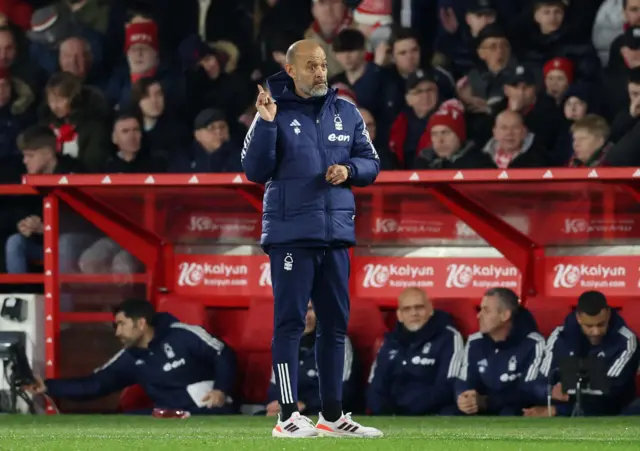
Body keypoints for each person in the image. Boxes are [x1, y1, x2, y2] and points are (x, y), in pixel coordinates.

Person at [241, 39, 381, 438]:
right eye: (311, 66)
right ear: (291, 71)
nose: (320, 72)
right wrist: (266, 122)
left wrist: (350, 170)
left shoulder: (347, 110)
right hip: (291, 234)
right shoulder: (272, 110)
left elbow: (372, 162)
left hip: (335, 233)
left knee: (335, 325)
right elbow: (254, 169)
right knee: (289, 324)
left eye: (323, 65)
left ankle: (332, 416)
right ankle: (287, 417)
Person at [24, 299, 237, 415]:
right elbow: (96, 384)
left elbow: (223, 353)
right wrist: (49, 387)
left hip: (208, 411)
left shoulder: (183, 334)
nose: (117, 332)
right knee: (117, 426)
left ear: (141, 323)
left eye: (122, 324)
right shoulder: (130, 357)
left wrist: (221, 389)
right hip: (167, 416)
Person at [529, 291, 640, 417]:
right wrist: (551, 391)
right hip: (560, 405)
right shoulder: (559, 336)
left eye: (601, 324)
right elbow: (540, 380)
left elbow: (612, 390)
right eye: (589, 326)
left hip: (608, 411)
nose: (596, 331)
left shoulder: (626, 340)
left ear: (608, 314)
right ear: (578, 317)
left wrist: (565, 400)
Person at [367, 288, 464, 415]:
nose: (414, 313)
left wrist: (407, 411)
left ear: (430, 310)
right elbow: (375, 386)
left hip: (432, 415)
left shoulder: (449, 337)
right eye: (407, 309)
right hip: (391, 417)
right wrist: (384, 413)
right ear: (399, 316)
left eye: (419, 307)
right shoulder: (389, 342)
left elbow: (448, 386)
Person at [456, 288, 547, 416]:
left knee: (509, 413)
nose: (478, 315)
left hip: (515, 411)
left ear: (505, 315)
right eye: (480, 309)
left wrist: (487, 401)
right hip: (480, 408)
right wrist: (464, 398)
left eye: (486, 310)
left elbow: (529, 391)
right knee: (450, 413)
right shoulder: (474, 341)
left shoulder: (534, 343)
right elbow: (464, 380)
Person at [265, 302, 356, 417]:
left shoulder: (337, 342)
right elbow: (275, 386)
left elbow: (342, 389)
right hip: (290, 412)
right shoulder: (283, 343)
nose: (306, 315)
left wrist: (305, 404)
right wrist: (279, 405)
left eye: (310, 309)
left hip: (322, 413)